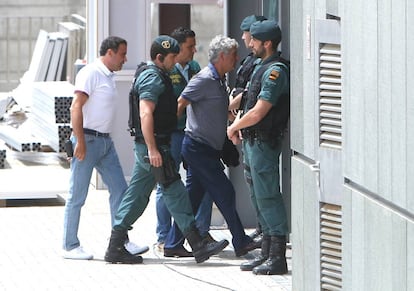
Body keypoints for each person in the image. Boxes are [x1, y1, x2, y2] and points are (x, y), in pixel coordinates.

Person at [104, 35, 229, 264]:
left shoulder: (156, 74)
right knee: (175, 191)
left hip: (150, 147)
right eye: (172, 56)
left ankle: (115, 246)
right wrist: (153, 149)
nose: (175, 60)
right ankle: (197, 244)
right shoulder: (153, 78)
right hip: (153, 148)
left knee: (137, 196)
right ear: (160, 57)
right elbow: (145, 113)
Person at [62, 36, 148, 260]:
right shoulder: (91, 73)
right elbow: (75, 107)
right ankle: (70, 246)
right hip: (87, 142)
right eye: (122, 54)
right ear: (109, 53)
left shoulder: (108, 76)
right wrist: (79, 141)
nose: (125, 59)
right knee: (77, 195)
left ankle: (120, 242)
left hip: (105, 143)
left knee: (120, 190)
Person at [177, 35, 257, 258]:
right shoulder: (203, 78)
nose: (236, 59)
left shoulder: (220, 80)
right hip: (197, 147)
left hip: (209, 147)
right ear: (222, 57)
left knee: (192, 198)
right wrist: (169, 133)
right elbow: (181, 102)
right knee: (225, 191)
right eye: (233, 55)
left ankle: (173, 242)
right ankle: (240, 241)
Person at [226, 20, 290, 275]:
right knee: (258, 196)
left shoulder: (275, 71)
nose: (249, 43)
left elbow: (261, 109)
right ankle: (266, 251)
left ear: (268, 43)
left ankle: (277, 256)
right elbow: (251, 96)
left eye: (254, 40)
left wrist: (234, 127)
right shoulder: (260, 67)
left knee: (268, 196)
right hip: (253, 141)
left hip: (264, 141)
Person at [155, 27, 215, 258]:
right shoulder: (166, 71)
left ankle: (201, 232)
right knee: (168, 183)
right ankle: (163, 236)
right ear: (178, 48)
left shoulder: (195, 68)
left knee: (202, 181)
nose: (194, 50)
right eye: (190, 46)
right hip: (173, 134)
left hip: (193, 134)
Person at [229, 14, 267, 245]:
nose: (244, 38)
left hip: (253, 129)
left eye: (246, 34)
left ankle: (270, 238)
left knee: (264, 190)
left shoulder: (263, 64)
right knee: (254, 187)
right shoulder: (250, 60)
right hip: (244, 126)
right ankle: (264, 230)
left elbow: (251, 93)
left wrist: (230, 111)